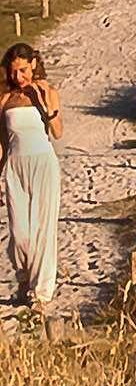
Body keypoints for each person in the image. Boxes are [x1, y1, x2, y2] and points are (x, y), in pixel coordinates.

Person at [2, 44, 60, 311]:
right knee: (20, 234)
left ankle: (42, 292)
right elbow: (2, 143)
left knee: (43, 230)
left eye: (23, 71)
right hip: (15, 166)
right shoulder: (4, 100)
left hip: (43, 163)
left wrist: (46, 103)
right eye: (13, 72)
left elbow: (58, 132)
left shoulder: (47, 92)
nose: (18, 78)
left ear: (33, 64)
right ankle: (24, 280)